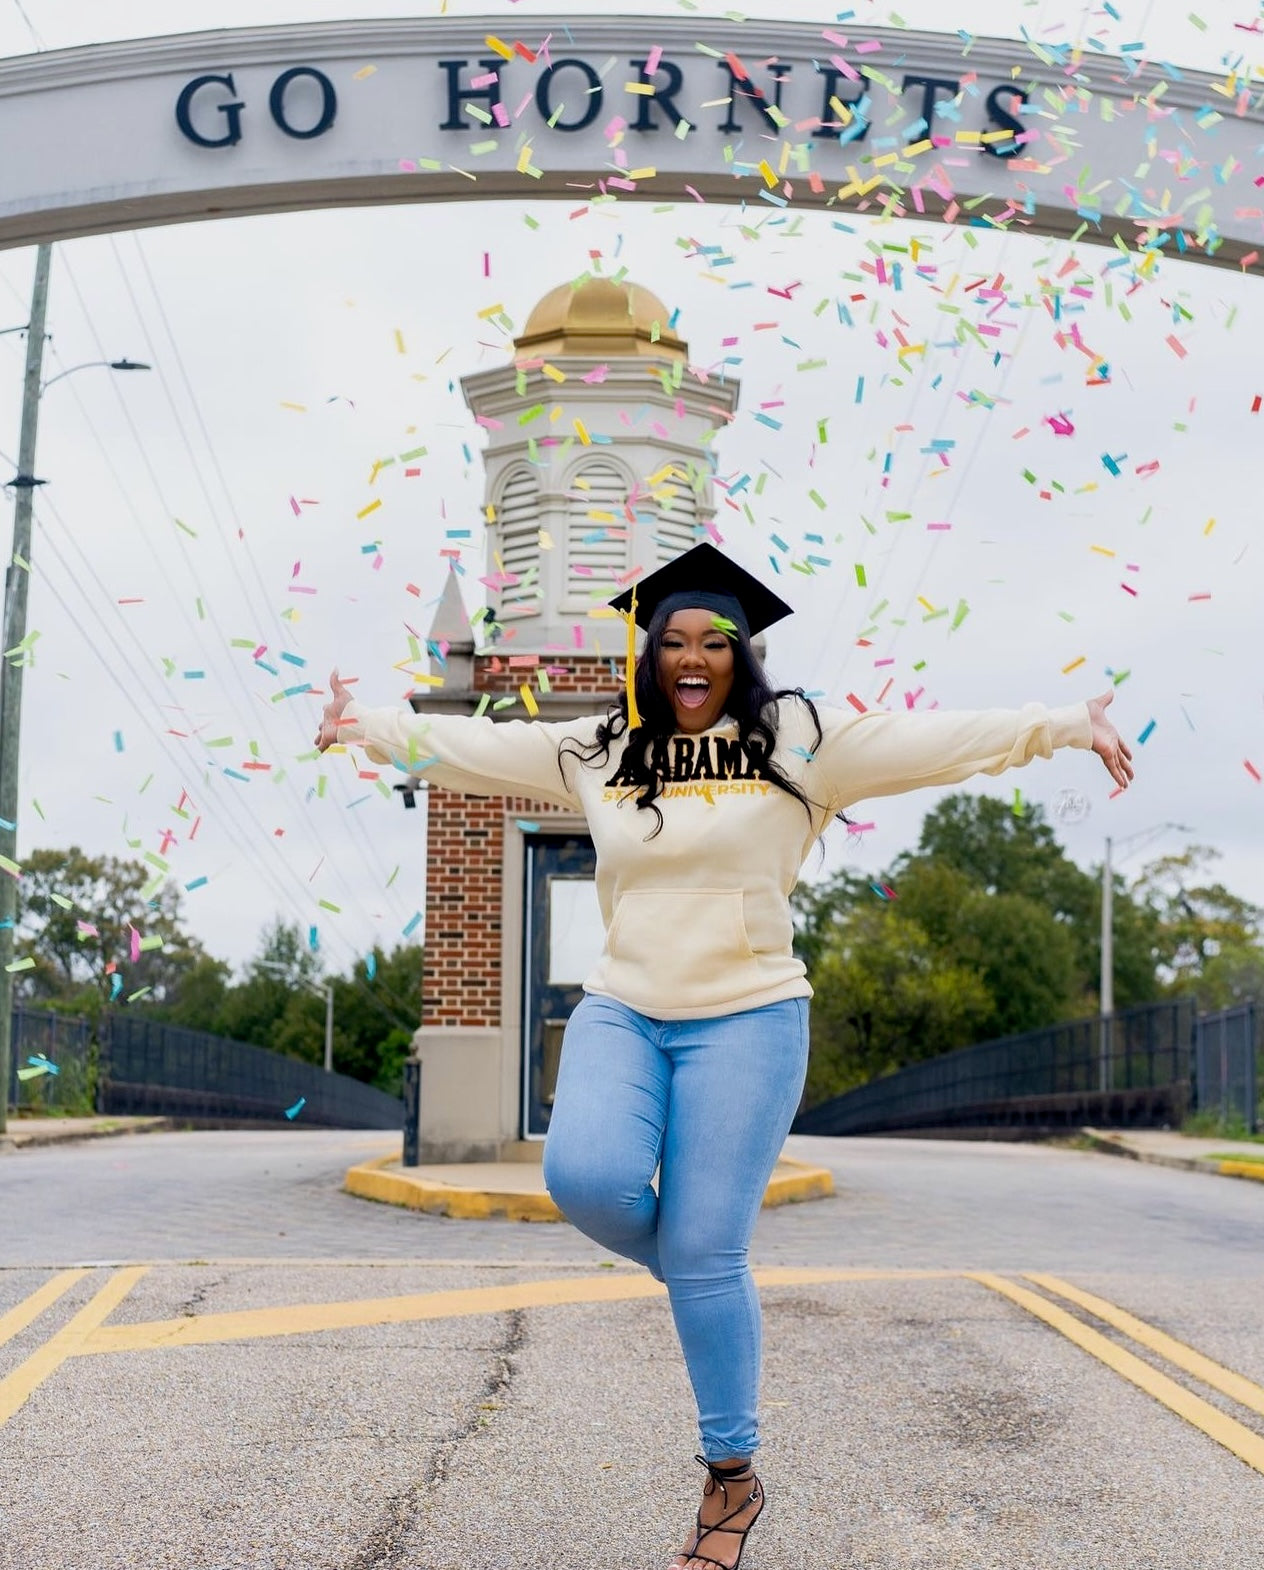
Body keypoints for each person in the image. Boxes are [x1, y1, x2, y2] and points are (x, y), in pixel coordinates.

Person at [315, 541, 1133, 1570]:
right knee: (586, 1176)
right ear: (649, 654)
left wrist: (1059, 725)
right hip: (623, 1006)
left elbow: (932, 741)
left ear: (740, 656)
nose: (691, 658)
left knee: (706, 1247)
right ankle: (713, 1276)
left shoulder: (800, 739)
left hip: (747, 1016)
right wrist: (363, 729)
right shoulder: (604, 749)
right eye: (674, 642)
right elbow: (477, 748)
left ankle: (730, 1478)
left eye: (714, 642)